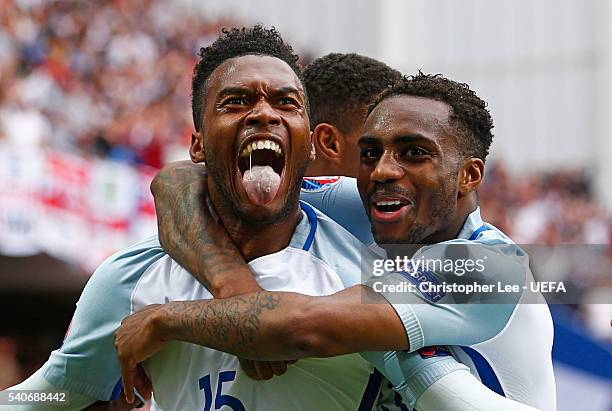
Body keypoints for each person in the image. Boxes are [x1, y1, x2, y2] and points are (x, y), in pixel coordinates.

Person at [3, 27, 515, 411]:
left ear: (312, 143)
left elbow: (308, 331)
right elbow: (50, 396)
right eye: (237, 101)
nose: (264, 113)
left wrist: (166, 319)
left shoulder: (373, 265)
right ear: (199, 144)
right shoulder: (131, 278)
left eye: (286, 102)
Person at [115, 73, 556, 410]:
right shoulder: (369, 204)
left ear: (470, 175)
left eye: (414, 153)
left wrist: (163, 320)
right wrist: (233, 286)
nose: (383, 170)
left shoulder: (489, 268)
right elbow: (183, 181)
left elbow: (305, 328)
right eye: (370, 153)